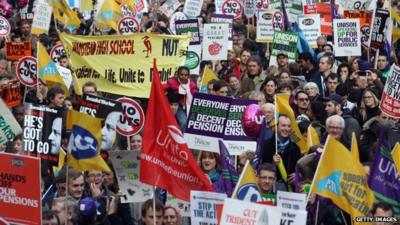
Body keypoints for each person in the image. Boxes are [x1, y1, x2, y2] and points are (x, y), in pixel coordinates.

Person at [261, 115, 301, 190]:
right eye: (283, 126)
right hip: (270, 187)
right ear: (276, 127)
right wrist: (272, 163)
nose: (286, 129)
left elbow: (299, 169)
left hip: (289, 190)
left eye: (289, 126)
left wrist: (297, 175)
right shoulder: (266, 144)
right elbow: (261, 167)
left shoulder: (295, 148)